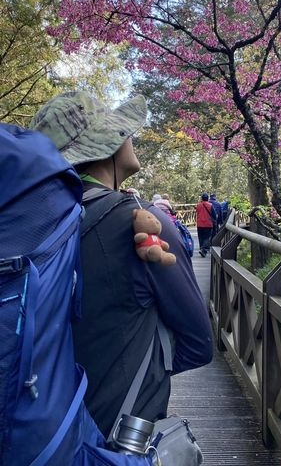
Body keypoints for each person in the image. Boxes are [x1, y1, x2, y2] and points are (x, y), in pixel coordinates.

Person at [30, 91, 213, 438]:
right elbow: (199, 345)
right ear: (107, 147)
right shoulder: (137, 221)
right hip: (114, 434)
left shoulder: (29, 224)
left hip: (36, 429)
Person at [195, 192, 217, 257]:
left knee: (201, 237)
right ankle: (203, 249)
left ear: (202, 198)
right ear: (208, 199)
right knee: (207, 237)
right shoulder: (210, 205)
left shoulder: (198, 205)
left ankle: (202, 249)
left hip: (200, 223)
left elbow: (197, 212)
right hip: (208, 224)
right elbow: (214, 215)